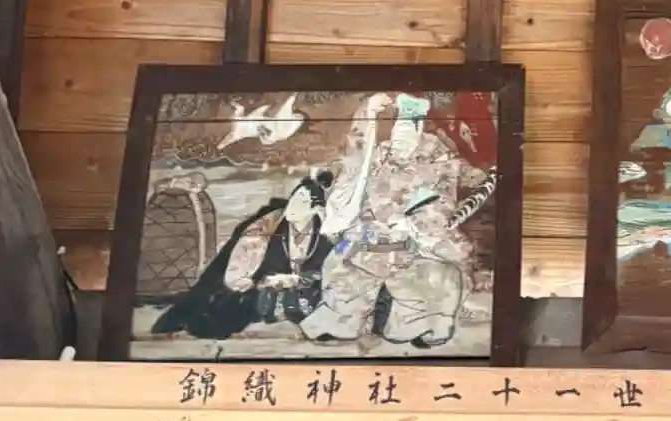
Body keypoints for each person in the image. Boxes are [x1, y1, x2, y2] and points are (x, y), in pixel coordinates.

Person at [301, 93, 489, 349]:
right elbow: (355, 160)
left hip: (412, 245)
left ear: (419, 129)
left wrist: (412, 223)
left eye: (408, 126)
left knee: (436, 280)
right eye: (398, 126)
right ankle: (337, 324)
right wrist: (366, 113)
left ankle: (420, 327)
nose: (400, 133)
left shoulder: (440, 163)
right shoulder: (378, 157)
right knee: (342, 275)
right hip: (366, 240)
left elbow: (442, 203)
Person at [150, 171, 333, 340]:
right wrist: (265, 281)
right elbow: (240, 271)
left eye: (302, 202)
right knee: (224, 308)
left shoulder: (323, 232)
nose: (293, 206)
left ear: (315, 209)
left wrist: (300, 280)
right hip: (259, 284)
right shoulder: (269, 224)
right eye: (294, 198)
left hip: (301, 290)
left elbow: (326, 269)